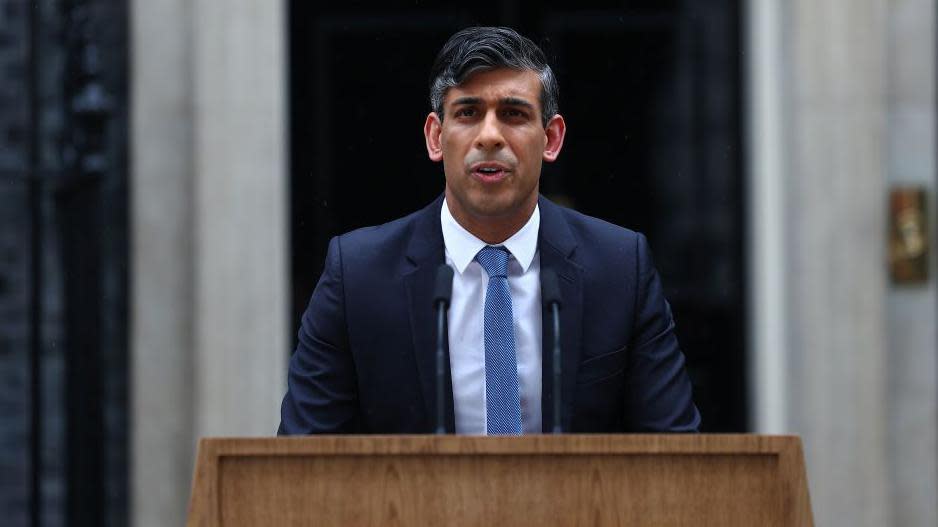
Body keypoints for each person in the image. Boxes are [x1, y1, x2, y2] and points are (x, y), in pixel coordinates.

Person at [278, 26, 700, 435]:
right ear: (436, 137)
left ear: (551, 139)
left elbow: (676, 456)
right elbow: (299, 463)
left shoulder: (620, 268)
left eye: (513, 114)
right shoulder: (358, 276)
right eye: (468, 113)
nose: (490, 136)